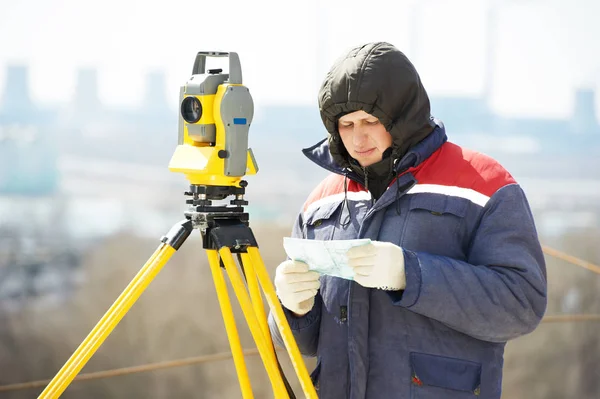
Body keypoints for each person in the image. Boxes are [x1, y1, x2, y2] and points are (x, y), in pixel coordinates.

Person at [268, 42, 547, 399]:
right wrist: (291, 309)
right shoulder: (322, 202)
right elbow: (300, 343)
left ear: (403, 118)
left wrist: (409, 274)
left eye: (371, 121)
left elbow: (521, 304)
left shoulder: (483, 186)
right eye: (346, 124)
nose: (357, 137)